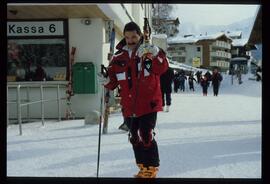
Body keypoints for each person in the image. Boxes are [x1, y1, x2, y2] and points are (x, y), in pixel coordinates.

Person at [104, 21, 168, 178]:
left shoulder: (147, 52)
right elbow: (112, 83)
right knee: (133, 136)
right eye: (127, 37)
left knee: (145, 134)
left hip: (148, 102)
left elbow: (162, 68)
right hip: (129, 104)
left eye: (134, 37)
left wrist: (156, 53)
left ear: (140, 35)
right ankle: (142, 166)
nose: (131, 40)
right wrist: (105, 80)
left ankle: (151, 168)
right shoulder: (118, 58)